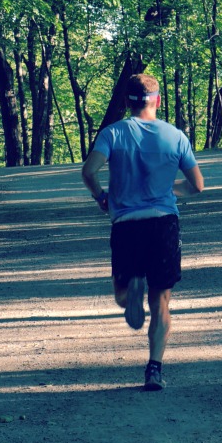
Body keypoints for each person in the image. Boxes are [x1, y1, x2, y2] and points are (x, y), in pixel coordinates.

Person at [81, 73, 204, 391]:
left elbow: (89, 171)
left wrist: (101, 197)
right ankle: (154, 368)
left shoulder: (113, 133)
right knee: (161, 300)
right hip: (162, 224)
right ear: (158, 101)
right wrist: (168, 189)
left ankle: (131, 288)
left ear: (126, 103)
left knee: (122, 298)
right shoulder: (174, 136)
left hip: (126, 226)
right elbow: (197, 186)